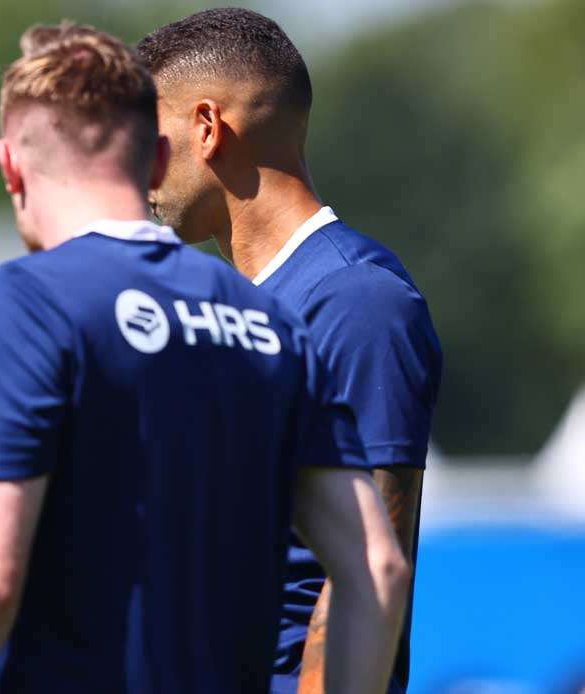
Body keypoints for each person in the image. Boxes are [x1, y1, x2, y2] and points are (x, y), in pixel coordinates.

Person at [0, 22, 410, 694]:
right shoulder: (269, 320)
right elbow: (377, 566)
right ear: (158, 160)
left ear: (11, 165)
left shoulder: (31, 298)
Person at [137, 9, 444, 693]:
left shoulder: (358, 301)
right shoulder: (217, 306)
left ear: (208, 129)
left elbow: (365, 568)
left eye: (148, 141)